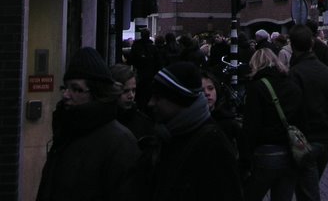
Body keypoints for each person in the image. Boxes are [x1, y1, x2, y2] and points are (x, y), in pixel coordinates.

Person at [36, 47, 141, 201]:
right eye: (65, 87)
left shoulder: (120, 142)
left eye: (76, 89)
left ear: (96, 93)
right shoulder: (66, 131)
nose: (66, 95)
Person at [144, 61, 242, 200]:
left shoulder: (212, 145)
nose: (151, 103)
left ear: (179, 100)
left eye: (159, 97)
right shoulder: (169, 134)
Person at [288, 24, 328, 201]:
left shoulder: (294, 75)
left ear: (292, 46)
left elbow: (290, 111)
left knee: (307, 193)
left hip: (304, 141)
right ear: (312, 44)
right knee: (309, 188)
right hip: (326, 141)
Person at [240, 46, 305, 201]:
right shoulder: (291, 84)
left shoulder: (257, 88)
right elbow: (302, 117)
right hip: (291, 153)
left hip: (266, 152)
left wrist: (244, 159)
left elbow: (251, 127)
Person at [110, 63, 156, 142]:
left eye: (133, 90)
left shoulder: (144, 123)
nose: (131, 96)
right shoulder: (103, 122)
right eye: (125, 91)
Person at [202, 71, 242, 157]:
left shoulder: (228, 122)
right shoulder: (191, 122)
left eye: (210, 88)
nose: (207, 93)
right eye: (201, 90)